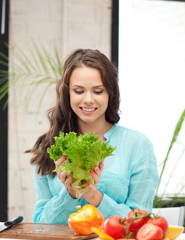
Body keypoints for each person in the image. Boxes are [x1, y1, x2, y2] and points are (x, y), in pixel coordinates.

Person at [26, 48, 159, 224]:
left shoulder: (137, 145)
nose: (88, 99)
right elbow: (41, 224)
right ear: (68, 94)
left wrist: (92, 195)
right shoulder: (49, 146)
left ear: (110, 94)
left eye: (98, 91)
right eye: (79, 91)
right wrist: (71, 193)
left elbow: (140, 221)